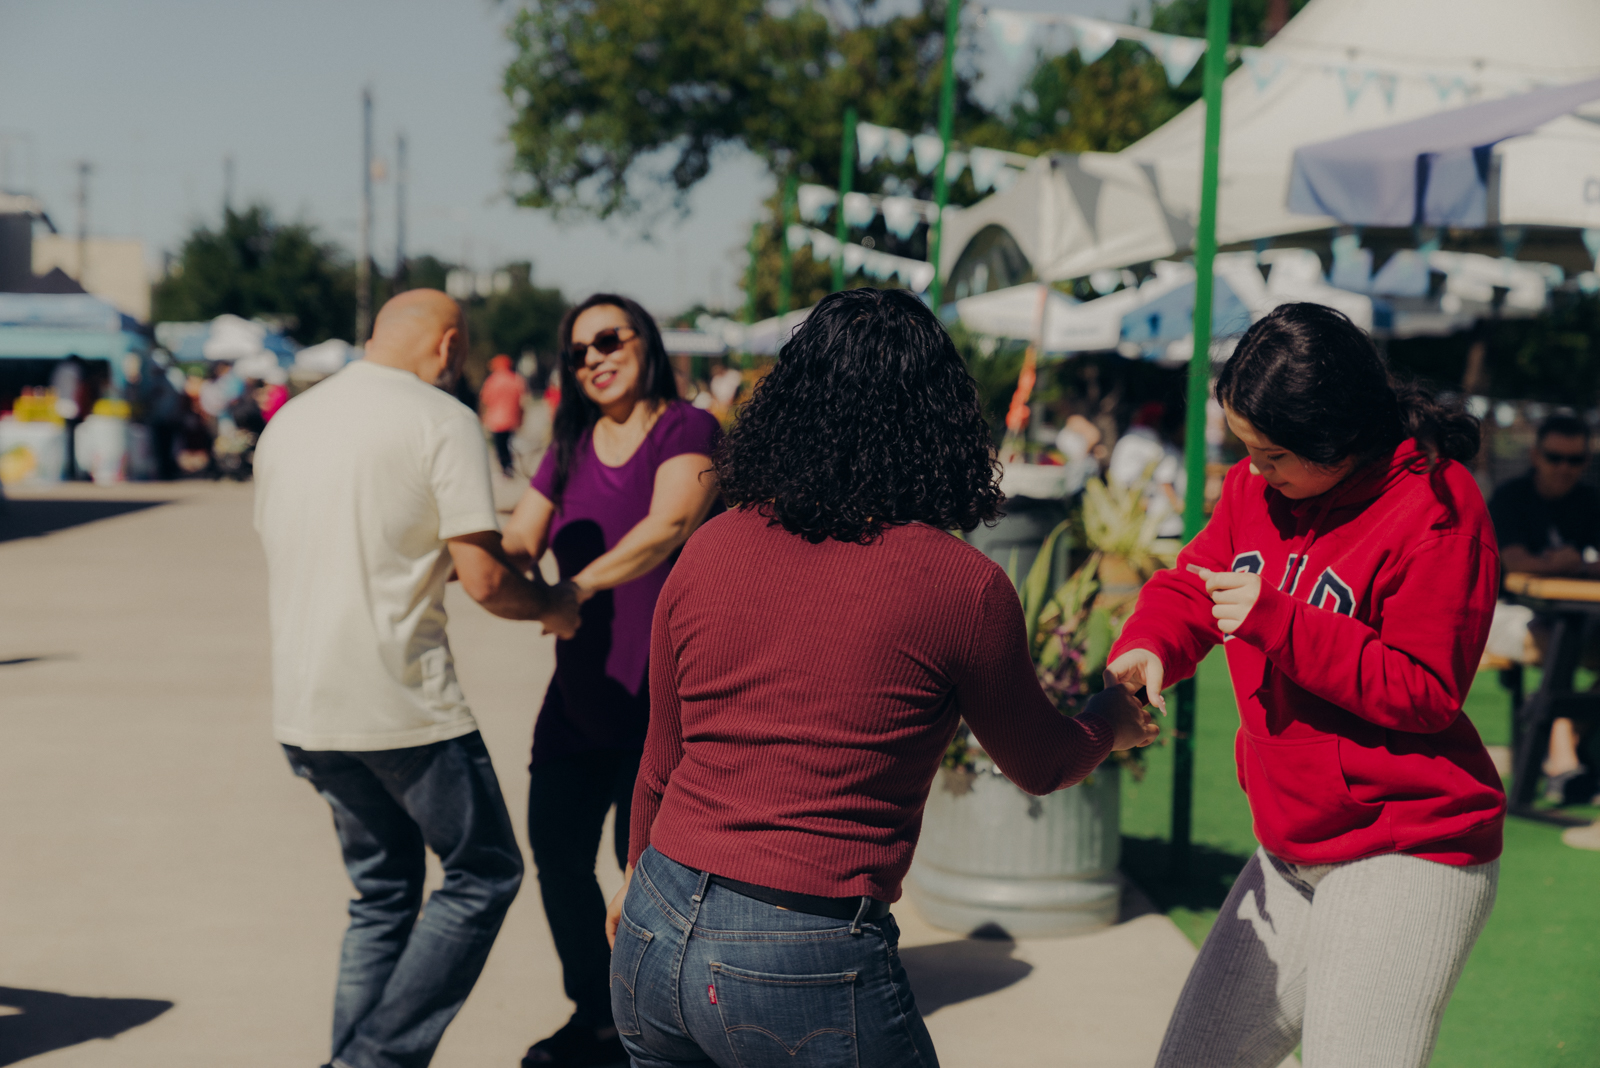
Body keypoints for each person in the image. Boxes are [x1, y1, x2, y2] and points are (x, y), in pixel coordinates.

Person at [602, 287, 1158, 1068]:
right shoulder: (960, 585)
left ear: (787, 405)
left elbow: (661, 761)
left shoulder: (712, 545)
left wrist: (633, 877)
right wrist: (1111, 719)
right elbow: (1042, 764)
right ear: (940, 425)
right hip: (801, 946)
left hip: (654, 926)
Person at [1106, 303, 1503, 1068]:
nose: (1255, 472)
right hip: (1290, 845)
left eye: (1274, 455)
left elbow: (1423, 690)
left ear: (1341, 436)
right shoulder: (1260, 491)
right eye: (1247, 449)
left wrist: (1280, 622)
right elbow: (1197, 585)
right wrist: (1153, 643)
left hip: (1407, 851)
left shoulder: (1441, 509)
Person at [253, 289, 580, 1068]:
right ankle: (373, 1061)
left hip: (305, 706)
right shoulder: (441, 419)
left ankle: (354, 1059)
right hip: (401, 704)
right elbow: (485, 578)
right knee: (484, 873)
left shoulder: (291, 421)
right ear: (448, 345)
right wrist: (556, 607)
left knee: (383, 896)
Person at [501, 293, 723, 1068]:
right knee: (557, 852)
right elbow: (520, 538)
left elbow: (668, 527)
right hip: (581, 691)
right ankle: (596, 1015)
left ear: (644, 341)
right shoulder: (568, 445)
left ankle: (654, 1029)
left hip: (665, 698)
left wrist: (573, 591)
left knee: (647, 877)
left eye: (606, 340)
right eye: (577, 351)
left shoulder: (687, 429)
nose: (592, 357)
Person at [1486, 412, 1600, 805]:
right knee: (1557, 642)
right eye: (1555, 457)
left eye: (1574, 460)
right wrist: (1565, 564)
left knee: (1568, 639)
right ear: (1536, 455)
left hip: (1578, 616)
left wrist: (1575, 565)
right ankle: (1562, 762)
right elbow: (1513, 561)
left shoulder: (1590, 501)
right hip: (1507, 613)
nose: (1564, 468)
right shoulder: (1510, 497)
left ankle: (1560, 738)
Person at [480, 353, 528, 477]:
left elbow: (485, 400)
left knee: (500, 446)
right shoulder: (516, 379)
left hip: (496, 420)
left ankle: (505, 468)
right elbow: (522, 401)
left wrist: (483, 417)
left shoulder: (492, 380)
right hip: (512, 419)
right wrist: (521, 417)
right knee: (508, 443)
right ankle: (509, 466)